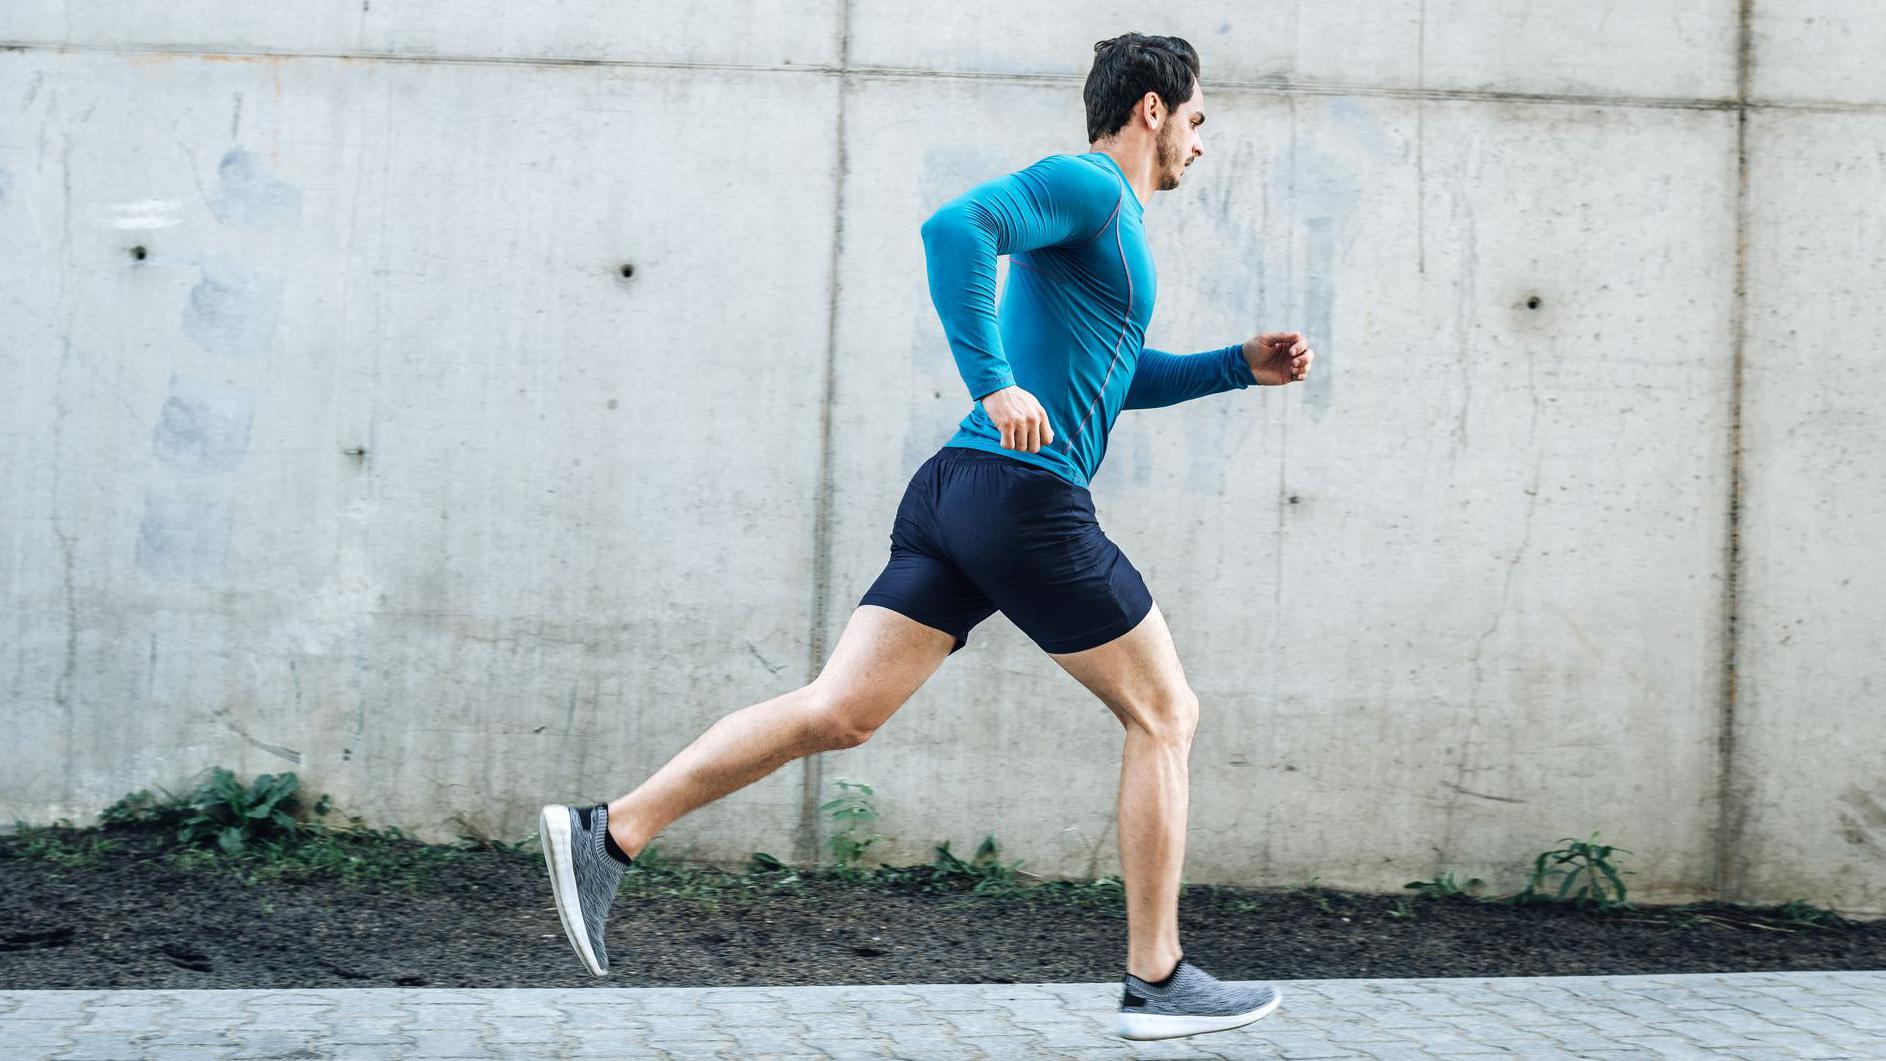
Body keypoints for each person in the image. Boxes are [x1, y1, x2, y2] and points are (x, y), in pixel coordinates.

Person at [540, 31, 1316, 1043]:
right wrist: (992, 382)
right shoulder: (1087, 184)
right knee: (1165, 712)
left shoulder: (1110, 227)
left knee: (838, 710)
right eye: (1198, 122)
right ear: (1152, 110)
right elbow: (956, 225)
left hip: (957, 493)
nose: (1201, 149)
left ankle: (610, 831)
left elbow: (1112, 375)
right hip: (1022, 496)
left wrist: (1232, 364)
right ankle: (1156, 975)